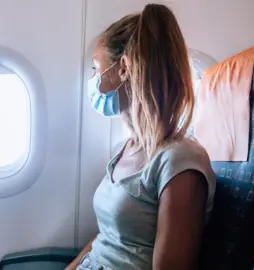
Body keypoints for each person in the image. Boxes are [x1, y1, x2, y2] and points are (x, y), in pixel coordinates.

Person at [66, 4, 216, 270]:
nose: (93, 80)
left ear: (123, 68)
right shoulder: (126, 148)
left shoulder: (180, 160)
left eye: (95, 68)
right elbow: (106, 239)